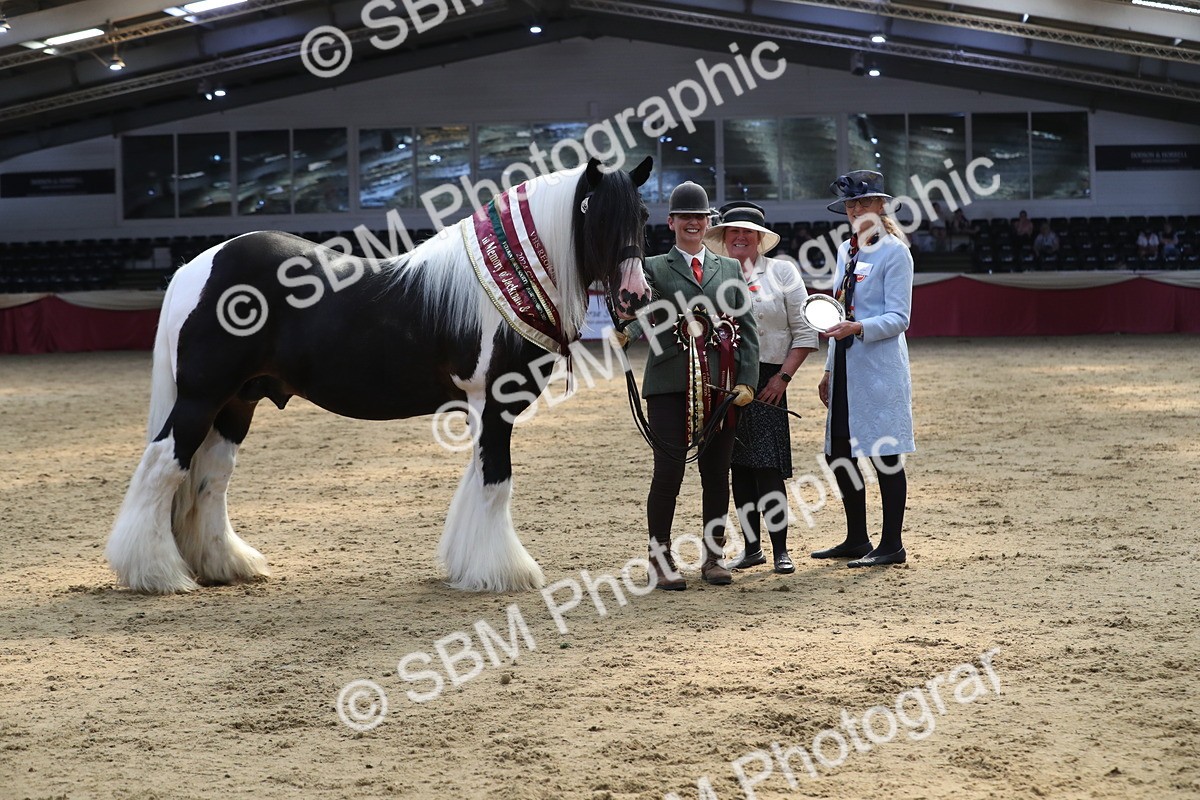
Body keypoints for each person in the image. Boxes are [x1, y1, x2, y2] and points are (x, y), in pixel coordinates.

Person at [621, 182, 760, 590]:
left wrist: (748, 380)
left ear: (707, 222)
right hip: (670, 383)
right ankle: (660, 560)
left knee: (717, 474)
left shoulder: (730, 269)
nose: (694, 223)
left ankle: (713, 558)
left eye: (700, 217)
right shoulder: (651, 266)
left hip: (721, 384)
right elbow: (640, 310)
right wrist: (627, 331)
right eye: (686, 217)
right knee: (668, 473)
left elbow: (747, 330)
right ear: (672, 222)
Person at [702, 202, 817, 574]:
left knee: (767, 468)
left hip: (770, 378)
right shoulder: (714, 274)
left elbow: (804, 331)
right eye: (732, 232)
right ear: (723, 238)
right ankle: (752, 548)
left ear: (758, 239)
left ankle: (781, 548)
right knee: (737, 468)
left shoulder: (782, 271)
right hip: (727, 379)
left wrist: (782, 378)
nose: (739, 237)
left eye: (746, 232)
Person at [811, 170, 914, 568]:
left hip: (878, 366)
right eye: (851, 204)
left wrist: (860, 328)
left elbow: (900, 317)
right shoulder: (846, 251)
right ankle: (856, 537)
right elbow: (839, 310)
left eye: (863, 202)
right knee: (840, 452)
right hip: (845, 365)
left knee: (884, 453)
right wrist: (828, 368)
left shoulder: (894, 252)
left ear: (880, 206)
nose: (856, 210)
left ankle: (892, 543)